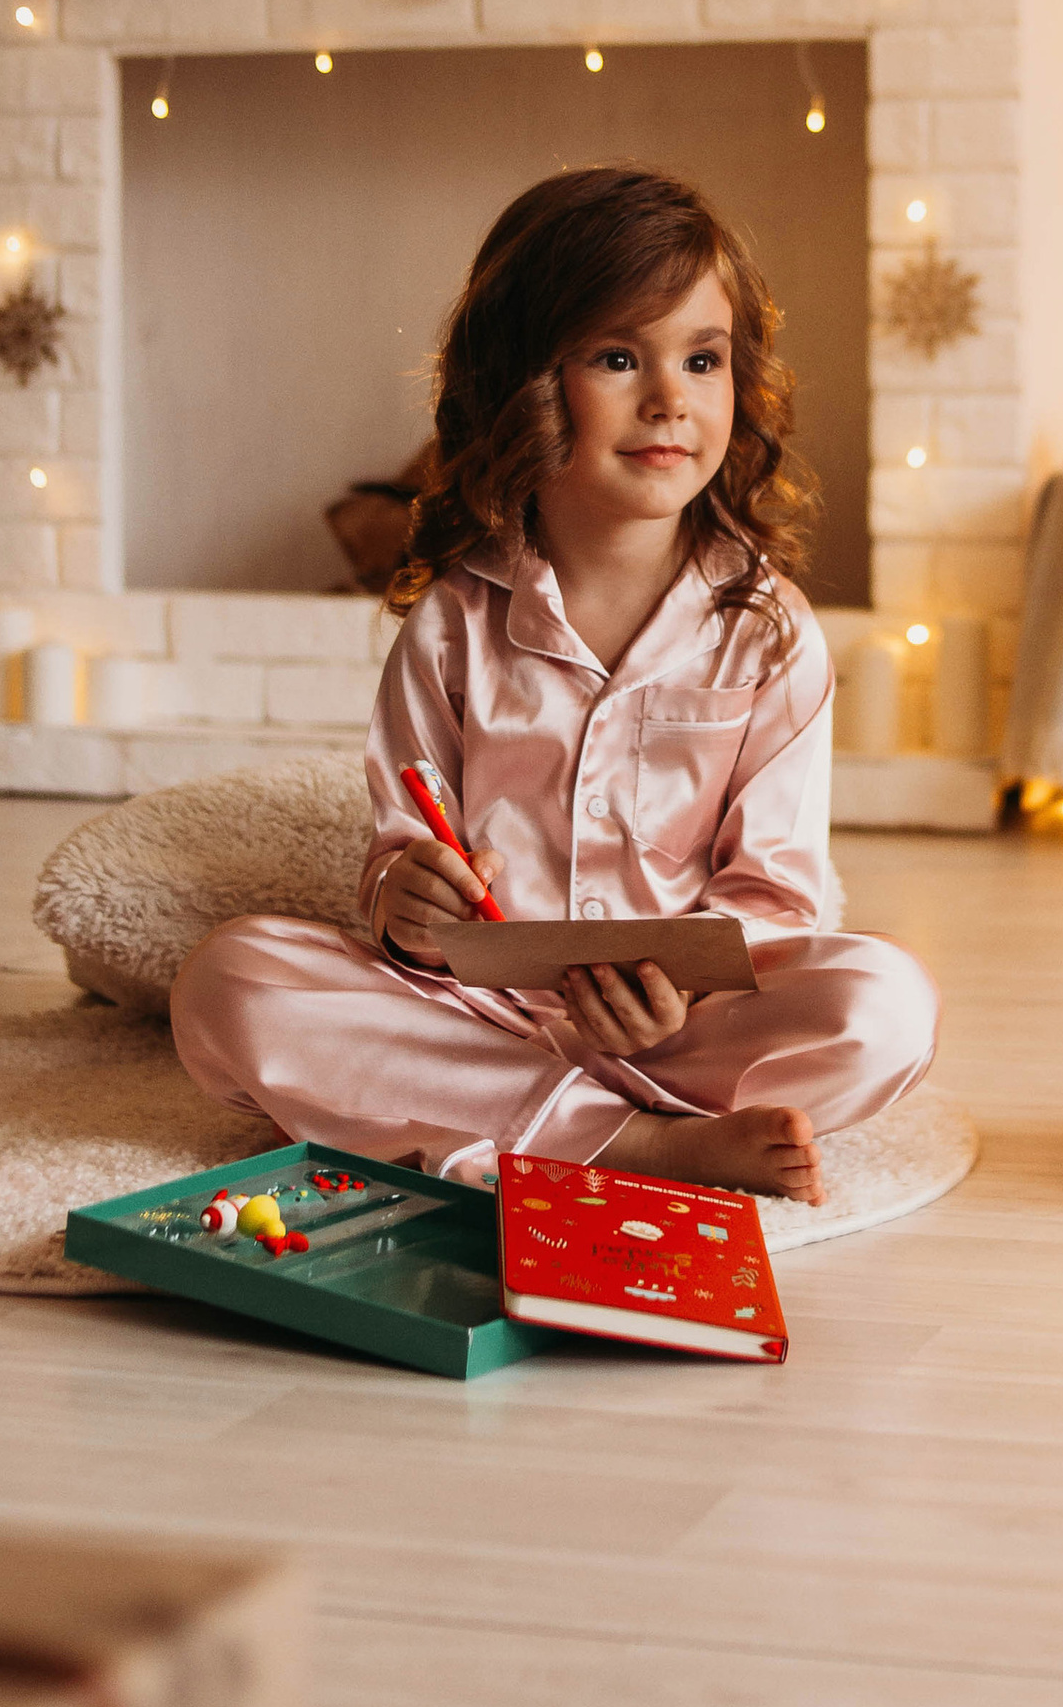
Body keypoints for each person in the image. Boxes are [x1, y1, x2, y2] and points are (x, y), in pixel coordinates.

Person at [169, 164, 940, 1201]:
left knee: (888, 1004)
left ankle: (488, 1116)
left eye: (702, 359)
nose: (669, 399)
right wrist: (404, 903)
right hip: (473, 1013)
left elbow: (775, 890)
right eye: (619, 358)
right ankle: (633, 1143)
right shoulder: (451, 622)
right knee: (229, 985)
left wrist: (675, 992)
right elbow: (406, 847)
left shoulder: (771, 633)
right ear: (525, 381)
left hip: (684, 1029)